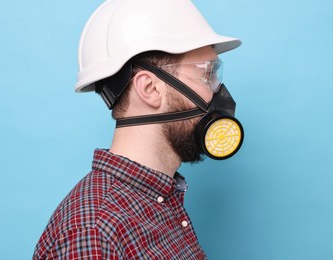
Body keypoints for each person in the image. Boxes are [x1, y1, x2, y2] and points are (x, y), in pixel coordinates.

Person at [33, 0, 243, 259]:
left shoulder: (161, 199)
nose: (218, 92)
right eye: (207, 74)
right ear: (150, 89)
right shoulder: (93, 233)